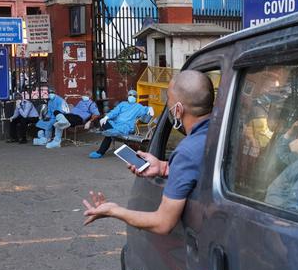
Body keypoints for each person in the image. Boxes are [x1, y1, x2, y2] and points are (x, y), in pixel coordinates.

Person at [82, 71, 213, 233]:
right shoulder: (220, 133)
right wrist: (164, 167)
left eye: (169, 104)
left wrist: (113, 210)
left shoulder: (187, 151)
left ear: (178, 109)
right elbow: (202, 168)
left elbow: (163, 222)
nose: (170, 111)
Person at [88, 89, 154, 159]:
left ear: (136, 97)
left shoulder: (138, 107)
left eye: (134, 95)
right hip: (115, 124)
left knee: (110, 134)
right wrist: (106, 117)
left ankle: (100, 152)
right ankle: (112, 132)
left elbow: (147, 109)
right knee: (103, 122)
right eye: (130, 95)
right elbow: (114, 112)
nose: (132, 97)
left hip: (126, 126)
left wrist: (150, 109)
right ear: (128, 96)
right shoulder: (122, 104)